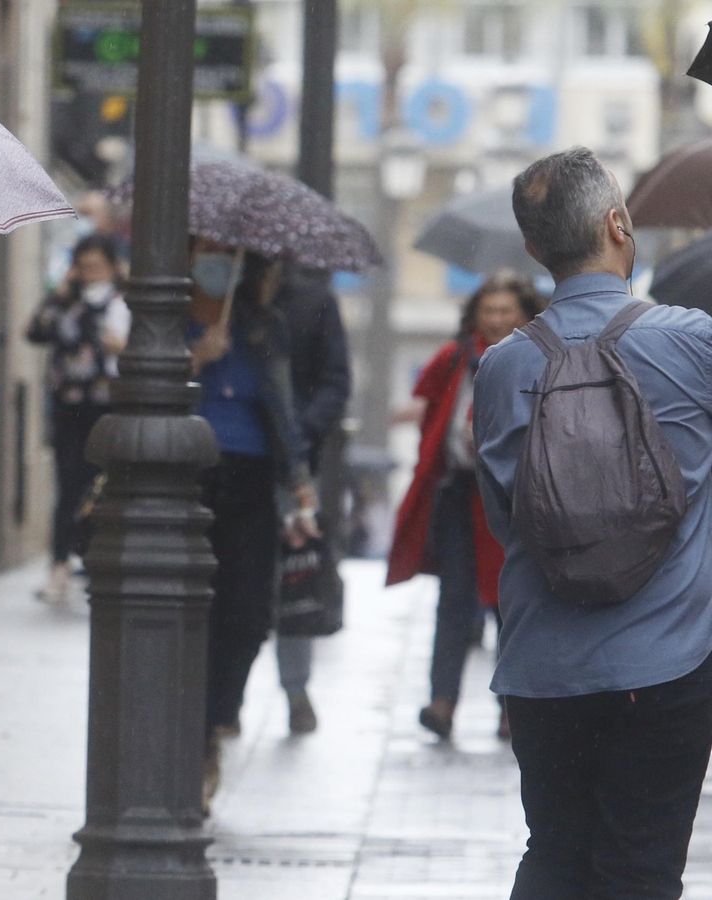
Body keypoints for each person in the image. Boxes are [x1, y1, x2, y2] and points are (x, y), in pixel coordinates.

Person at [476, 147, 712, 898]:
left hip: (544, 667)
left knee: (553, 856)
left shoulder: (502, 366)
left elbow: (501, 512)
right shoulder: (691, 342)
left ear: (534, 249)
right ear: (618, 224)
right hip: (669, 659)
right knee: (640, 868)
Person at [187, 240, 319, 801]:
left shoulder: (264, 325)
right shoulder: (163, 315)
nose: (216, 261)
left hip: (250, 475)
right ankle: (191, 736)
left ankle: (218, 717)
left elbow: (282, 404)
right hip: (185, 474)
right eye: (207, 251)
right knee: (194, 611)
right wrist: (196, 360)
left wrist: (299, 478)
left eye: (226, 253)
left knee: (246, 615)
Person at [387, 271, 544, 741]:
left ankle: (511, 707)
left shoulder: (537, 359)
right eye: (488, 311)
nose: (495, 320)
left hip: (516, 500)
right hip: (459, 492)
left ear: (524, 315)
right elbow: (430, 411)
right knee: (453, 600)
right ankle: (442, 701)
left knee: (512, 605)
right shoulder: (456, 359)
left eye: (505, 312)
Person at [25, 235, 130, 604]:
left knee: (105, 487)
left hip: (109, 408)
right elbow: (35, 330)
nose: (90, 273)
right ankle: (59, 567)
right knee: (68, 488)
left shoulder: (124, 301)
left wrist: (123, 348)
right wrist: (62, 289)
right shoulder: (68, 303)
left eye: (96, 266)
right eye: (83, 266)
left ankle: (98, 560)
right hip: (69, 409)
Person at [271, 264, 352, 735]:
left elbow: (336, 381)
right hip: (235, 455)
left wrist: (300, 433)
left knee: (296, 580)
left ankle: (295, 688)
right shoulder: (224, 300)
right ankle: (226, 699)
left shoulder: (313, 300)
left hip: (297, 463)